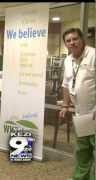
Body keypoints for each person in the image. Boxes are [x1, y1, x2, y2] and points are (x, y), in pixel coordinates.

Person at [59, 28, 95, 180]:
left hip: (95, 113)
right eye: (68, 40)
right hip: (81, 115)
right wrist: (65, 105)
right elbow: (66, 84)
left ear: (82, 40)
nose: (72, 43)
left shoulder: (93, 55)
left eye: (75, 39)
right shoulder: (68, 60)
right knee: (82, 151)